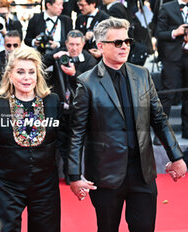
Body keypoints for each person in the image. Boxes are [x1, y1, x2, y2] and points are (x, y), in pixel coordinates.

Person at [69, 17, 187, 232]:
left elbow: (159, 119)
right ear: (100, 46)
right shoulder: (86, 83)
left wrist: (176, 157)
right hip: (105, 174)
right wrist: (74, 176)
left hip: (142, 173)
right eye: (117, 42)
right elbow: (77, 132)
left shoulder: (142, 74)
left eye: (127, 41)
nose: (124, 46)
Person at [0, 46, 62, 232]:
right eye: (20, 72)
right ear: (10, 75)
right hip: (8, 186)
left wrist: (76, 174)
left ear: (38, 75)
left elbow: (64, 140)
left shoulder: (52, 101)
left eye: (31, 72)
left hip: (45, 186)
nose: (26, 77)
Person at [43, 29, 97, 184]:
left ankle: (72, 174)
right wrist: (53, 56)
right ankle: (61, 174)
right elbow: (39, 64)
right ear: (66, 44)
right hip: (59, 108)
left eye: (77, 45)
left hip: (78, 110)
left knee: (75, 142)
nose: (74, 48)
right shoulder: (59, 55)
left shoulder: (89, 60)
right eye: (71, 44)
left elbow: (89, 83)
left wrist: (74, 73)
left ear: (83, 44)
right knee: (58, 142)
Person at [156, 0, 188, 139]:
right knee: (168, 94)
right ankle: (161, 134)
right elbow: (159, 33)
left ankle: (187, 131)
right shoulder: (167, 7)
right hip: (172, 58)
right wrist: (176, 32)